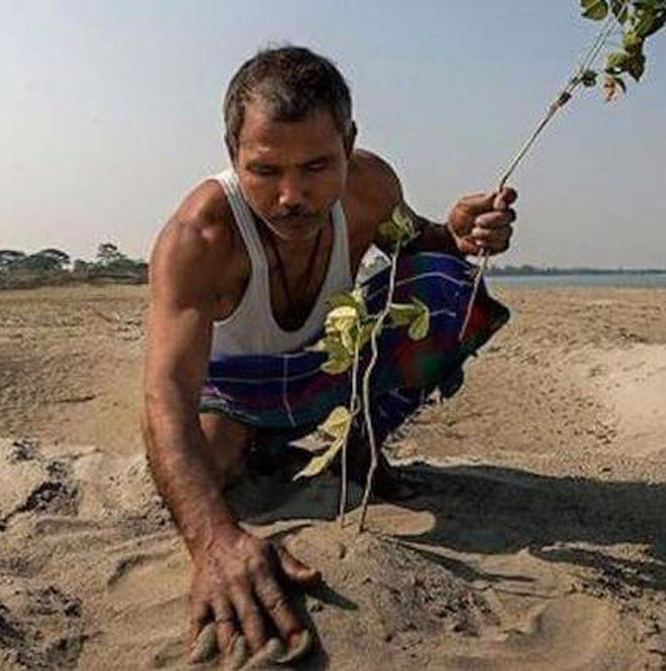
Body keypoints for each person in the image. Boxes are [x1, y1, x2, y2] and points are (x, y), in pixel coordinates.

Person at [142, 45, 516, 666]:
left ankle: (358, 449)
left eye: (317, 166)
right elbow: (165, 394)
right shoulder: (199, 235)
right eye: (265, 170)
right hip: (233, 392)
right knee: (205, 471)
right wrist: (214, 542)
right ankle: (263, 449)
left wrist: (455, 233)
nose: (292, 195)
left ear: (349, 142)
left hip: (328, 370)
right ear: (233, 150)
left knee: (447, 281)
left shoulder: (371, 185)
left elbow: (415, 241)